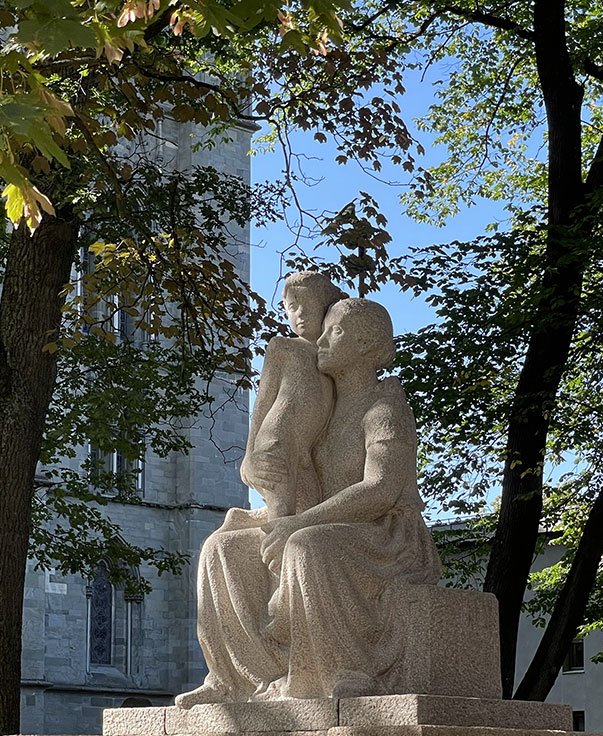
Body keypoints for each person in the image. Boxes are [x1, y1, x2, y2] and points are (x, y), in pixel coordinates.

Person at [175, 297, 442, 706]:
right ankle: (234, 678)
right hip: (321, 521)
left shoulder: (384, 407)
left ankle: (343, 671)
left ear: (368, 346)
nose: (322, 338)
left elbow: (381, 489)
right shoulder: (325, 407)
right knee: (221, 549)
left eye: (336, 331)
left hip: (384, 534)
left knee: (306, 546)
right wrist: (258, 468)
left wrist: (298, 524)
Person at [242, 271, 347, 521]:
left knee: (307, 519)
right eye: (291, 307)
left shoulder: (335, 355)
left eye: (307, 304)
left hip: (307, 452)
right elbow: (263, 402)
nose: (299, 313)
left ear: (326, 306)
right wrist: (249, 457)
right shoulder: (283, 347)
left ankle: (238, 521)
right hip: (277, 440)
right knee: (280, 520)